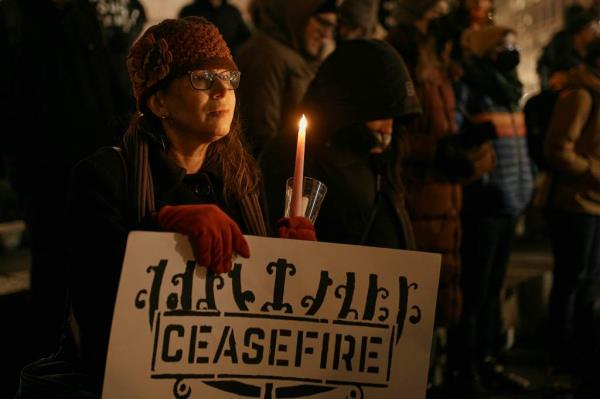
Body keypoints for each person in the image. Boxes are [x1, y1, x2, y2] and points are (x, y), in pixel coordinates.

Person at [66, 17, 314, 393]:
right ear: (159, 100)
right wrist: (161, 228)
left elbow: (260, 305)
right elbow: (97, 298)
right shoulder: (105, 176)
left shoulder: (242, 182)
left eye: (229, 79)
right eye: (201, 78)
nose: (221, 91)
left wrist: (286, 262)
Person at [2, 0, 128, 361]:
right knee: (52, 262)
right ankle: (47, 356)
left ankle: (85, 349)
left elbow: (103, 75)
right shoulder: (18, 14)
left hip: (93, 159)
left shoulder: (83, 13)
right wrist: (27, 151)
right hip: (45, 167)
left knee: (92, 260)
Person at [261, 39, 421, 250]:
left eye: (394, 117)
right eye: (380, 115)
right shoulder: (291, 155)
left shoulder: (375, 158)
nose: (388, 128)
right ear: (349, 106)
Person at [452, 25, 534, 396]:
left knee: (493, 290)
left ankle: (487, 360)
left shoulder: (510, 89)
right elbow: (457, 140)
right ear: (485, 50)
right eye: (502, 44)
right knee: (475, 291)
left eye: (511, 43)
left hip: (510, 202)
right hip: (484, 205)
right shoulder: (472, 88)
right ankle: (466, 367)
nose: (510, 50)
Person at [543, 37, 600, 394]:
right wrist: (594, 170)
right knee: (571, 281)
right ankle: (561, 358)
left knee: (588, 283)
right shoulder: (580, 95)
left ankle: (582, 358)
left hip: (594, 202)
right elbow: (557, 149)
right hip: (574, 203)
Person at [235, 0, 338, 157]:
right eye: (323, 23)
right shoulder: (266, 55)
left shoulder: (297, 53)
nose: (326, 35)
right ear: (297, 16)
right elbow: (261, 134)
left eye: (331, 27)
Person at [537, 4, 599, 91]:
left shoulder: (583, 51)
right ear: (581, 30)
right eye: (591, 29)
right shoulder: (563, 43)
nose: (595, 34)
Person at [178, 0, 250, 53]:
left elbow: (245, 36)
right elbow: (182, 39)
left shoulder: (232, 11)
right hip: (199, 61)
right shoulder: (189, 11)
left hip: (230, 60)